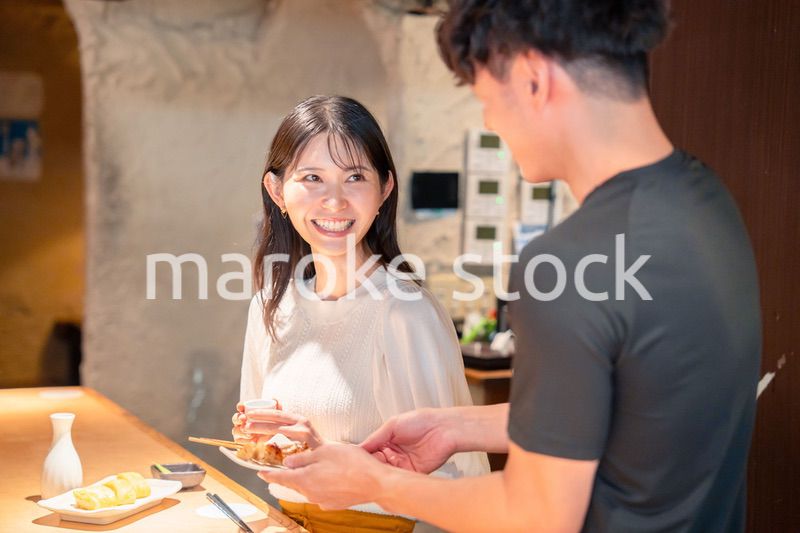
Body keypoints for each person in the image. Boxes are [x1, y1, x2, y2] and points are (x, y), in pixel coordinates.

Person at [260, 2, 762, 532]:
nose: (489, 121)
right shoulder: (706, 198)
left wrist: (374, 482)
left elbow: (537, 517)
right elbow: (646, 413)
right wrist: (459, 426)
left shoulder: (567, 266)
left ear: (532, 79)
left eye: (484, 97)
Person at [232, 95, 489, 532]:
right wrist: (260, 437)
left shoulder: (404, 313)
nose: (334, 201)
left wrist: (330, 459)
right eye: (312, 177)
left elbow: (462, 480)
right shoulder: (270, 307)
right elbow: (259, 450)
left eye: (354, 177)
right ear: (277, 191)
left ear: (384, 188)